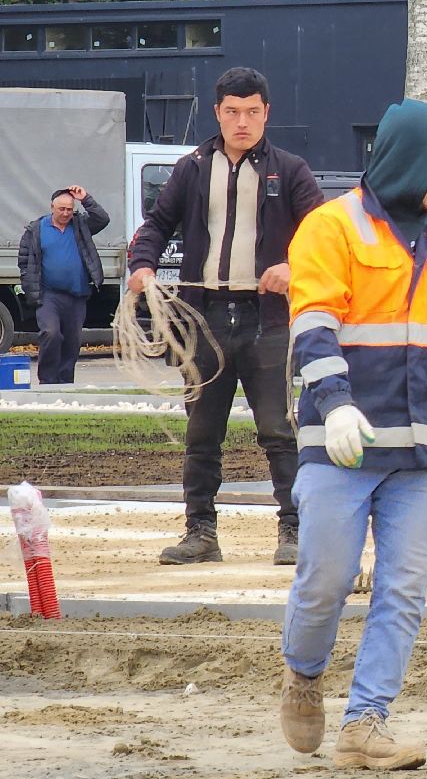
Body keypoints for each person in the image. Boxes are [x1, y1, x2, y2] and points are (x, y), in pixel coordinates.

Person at [278, 98, 427, 771]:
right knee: (324, 579)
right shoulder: (331, 230)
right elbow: (313, 328)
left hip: (423, 453)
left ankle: (366, 723)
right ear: (412, 162)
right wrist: (335, 405)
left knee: (403, 588)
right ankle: (303, 672)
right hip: (344, 444)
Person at [128, 67, 324, 567]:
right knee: (201, 431)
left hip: (269, 318)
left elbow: (321, 236)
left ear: (266, 113)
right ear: (217, 113)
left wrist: (292, 265)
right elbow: (156, 223)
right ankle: (201, 532)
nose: (242, 122)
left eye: (252, 112)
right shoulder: (191, 168)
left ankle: (294, 530)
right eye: (233, 112)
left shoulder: (291, 169)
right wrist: (142, 266)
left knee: (280, 429)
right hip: (203, 317)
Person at [18, 186, 110, 384]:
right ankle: (47, 381)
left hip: (77, 295)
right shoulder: (36, 229)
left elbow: (103, 219)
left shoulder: (80, 225)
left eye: (69, 209)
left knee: (72, 342)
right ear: (52, 207)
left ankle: (66, 383)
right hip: (49, 295)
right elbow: (24, 262)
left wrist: (85, 198)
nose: (66, 213)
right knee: (50, 333)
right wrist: (30, 287)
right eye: (62, 209)